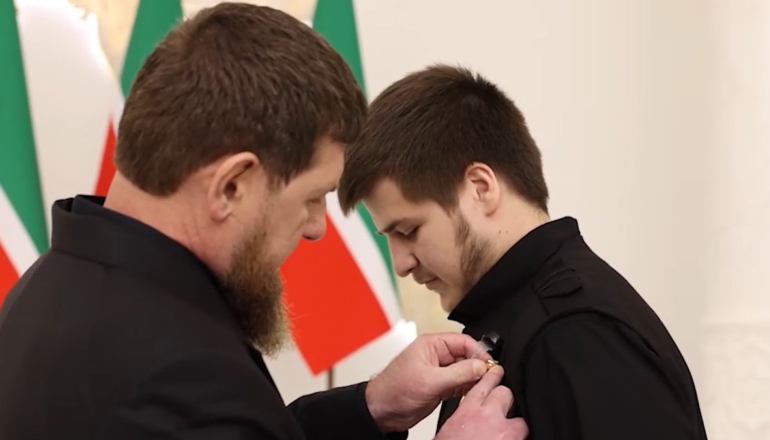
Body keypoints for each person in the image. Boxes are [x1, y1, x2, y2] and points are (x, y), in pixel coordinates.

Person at [0, 5, 529, 440]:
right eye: (312, 197)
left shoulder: (49, 289)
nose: (317, 227)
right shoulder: (183, 380)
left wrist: (369, 407)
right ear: (232, 185)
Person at [337, 64, 708, 440]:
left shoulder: (576, 334)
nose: (401, 264)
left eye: (409, 231)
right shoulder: (519, 321)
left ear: (480, 188)